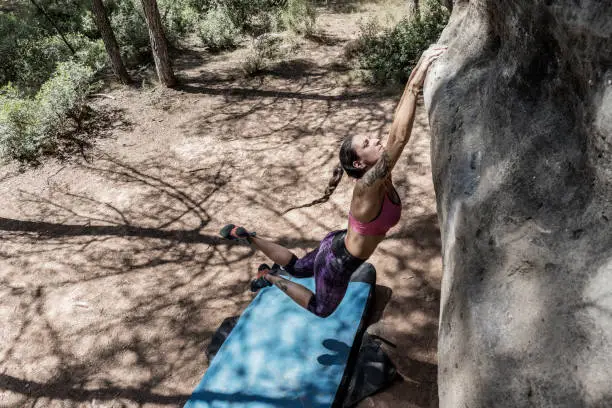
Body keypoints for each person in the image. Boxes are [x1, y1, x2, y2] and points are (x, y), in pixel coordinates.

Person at [220, 46, 446, 317]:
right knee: (321, 308)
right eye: (367, 142)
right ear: (360, 163)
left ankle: (251, 239)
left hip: (336, 244)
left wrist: (415, 72)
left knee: (296, 266)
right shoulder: (368, 186)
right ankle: (268, 277)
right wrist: (416, 83)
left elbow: (394, 130)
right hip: (337, 261)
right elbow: (398, 138)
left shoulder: (378, 174)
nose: (376, 139)